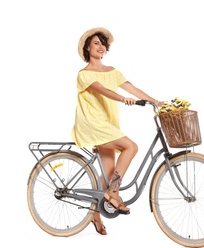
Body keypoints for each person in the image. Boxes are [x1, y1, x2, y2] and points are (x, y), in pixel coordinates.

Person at [71, 27, 165, 235]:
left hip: (109, 125)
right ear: (87, 47)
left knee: (108, 174)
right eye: (96, 43)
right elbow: (103, 90)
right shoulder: (84, 74)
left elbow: (133, 89)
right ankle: (114, 193)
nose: (101, 46)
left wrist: (156, 101)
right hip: (94, 124)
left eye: (103, 43)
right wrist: (123, 99)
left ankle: (96, 215)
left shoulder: (113, 71)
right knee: (130, 147)